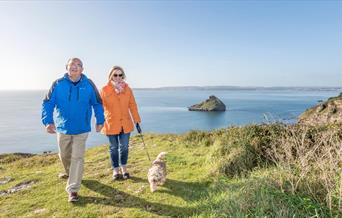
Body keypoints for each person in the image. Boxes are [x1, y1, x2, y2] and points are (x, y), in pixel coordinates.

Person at [41, 57, 104, 202]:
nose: (74, 67)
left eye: (77, 65)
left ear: (82, 69)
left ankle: (73, 189)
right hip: (63, 128)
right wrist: (48, 121)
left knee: (77, 157)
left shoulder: (88, 84)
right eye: (71, 65)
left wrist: (100, 120)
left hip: (82, 128)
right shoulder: (58, 84)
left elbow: (97, 103)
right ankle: (71, 173)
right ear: (66, 68)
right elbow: (48, 103)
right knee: (64, 155)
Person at [100, 66, 141, 181]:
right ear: (111, 76)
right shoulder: (104, 89)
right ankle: (115, 170)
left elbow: (132, 105)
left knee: (124, 148)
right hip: (111, 123)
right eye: (115, 75)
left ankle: (124, 168)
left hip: (125, 123)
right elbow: (100, 107)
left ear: (123, 76)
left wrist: (136, 120)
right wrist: (99, 121)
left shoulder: (128, 89)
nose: (118, 77)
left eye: (120, 75)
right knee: (113, 148)